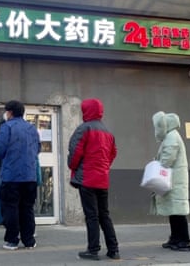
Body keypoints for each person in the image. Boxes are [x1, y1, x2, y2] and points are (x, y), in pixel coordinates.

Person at [67, 98, 120, 261]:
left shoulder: (84, 129)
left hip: (87, 179)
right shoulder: (108, 132)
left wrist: (73, 167)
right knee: (104, 215)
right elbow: (113, 154)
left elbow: (75, 153)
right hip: (102, 179)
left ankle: (93, 249)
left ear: (86, 111)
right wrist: (103, 168)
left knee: (92, 216)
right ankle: (114, 249)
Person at [0, 100, 41, 251]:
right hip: (30, 176)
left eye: (6, 111)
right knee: (27, 208)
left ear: (10, 112)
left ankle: (12, 240)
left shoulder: (7, 127)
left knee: (10, 208)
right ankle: (29, 241)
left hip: (11, 175)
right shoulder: (32, 129)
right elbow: (38, 148)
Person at [151, 111, 190, 252]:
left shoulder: (171, 137)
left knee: (178, 212)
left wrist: (157, 166)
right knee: (173, 211)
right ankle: (175, 238)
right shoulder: (172, 136)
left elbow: (167, 159)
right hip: (173, 179)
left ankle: (184, 241)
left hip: (175, 180)